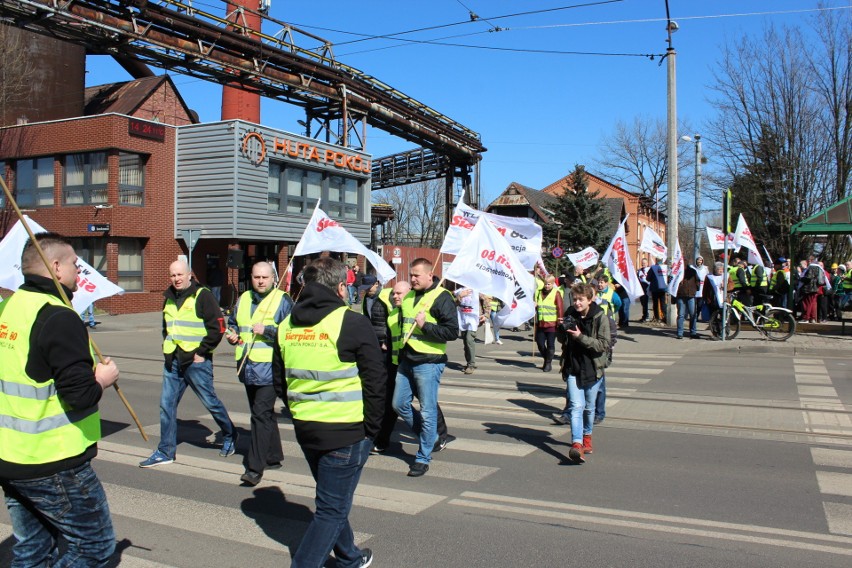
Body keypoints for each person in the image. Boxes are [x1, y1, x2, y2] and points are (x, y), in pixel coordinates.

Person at [0, 233, 120, 566]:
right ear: (55, 266)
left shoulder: (7, 308)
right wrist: (102, 379)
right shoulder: (58, 316)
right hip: (51, 460)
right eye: (75, 265)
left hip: (10, 456)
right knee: (94, 547)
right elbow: (79, 395)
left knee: (33, 548)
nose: (80, 274)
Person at [272, 257, 383, 568]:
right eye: (347, 286)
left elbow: (280, 381)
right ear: (340, 288)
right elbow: (376, 382)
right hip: (346, 433)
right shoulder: (352, 322)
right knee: (331, 510)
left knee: (331, 501)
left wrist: (301, 412)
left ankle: (349, 557)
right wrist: (372, 430)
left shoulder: (286, 325)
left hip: (307, 428)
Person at [140, 260, 237, 468]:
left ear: (189, 275)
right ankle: (166, 451)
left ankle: (230, 434)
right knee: (166, 405)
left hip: (196, 362)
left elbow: (217, 327)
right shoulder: (168, 298)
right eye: (173, 275)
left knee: (210, 402)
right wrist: (167, 346)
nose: (176, 278)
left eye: (180, 275)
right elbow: (167, 327)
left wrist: (202, 352)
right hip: (173, 360)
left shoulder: (203, 296)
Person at [225, 261, 293, 486]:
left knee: (259, 415)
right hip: (247, 366)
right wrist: (232, 333)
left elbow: (291, 334)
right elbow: (233, 323)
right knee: (264, 414)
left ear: (273, 278)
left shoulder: (283, 300)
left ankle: (254, 468)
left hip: (270, 369)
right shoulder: (244, 299)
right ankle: (273, 456)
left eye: (264, 277)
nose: (260, 281)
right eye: (256, 277)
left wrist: (268, 331)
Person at [392, 257, 458, 477]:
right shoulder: (409, 295)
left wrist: (425, 326)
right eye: (411, 275)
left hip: (429, 361)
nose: (412, 279)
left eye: (416, 275)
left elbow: (451, 332)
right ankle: (431, 438)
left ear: (430, 275)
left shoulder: (442, 297)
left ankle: (422, 457)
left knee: (428, 411)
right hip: (407, 359)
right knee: (399, 403)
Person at [372, 281, 451, 454]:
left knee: (427, 403)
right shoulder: (393, 314)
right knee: (393, 404)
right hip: (396, 364)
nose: (395, 296)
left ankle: (439, 436)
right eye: (394, 293)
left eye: (399, 294)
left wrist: (424, 326)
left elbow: (449, 330)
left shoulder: (418, 311)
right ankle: (382, 440)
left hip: (421, 362)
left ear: (409, 294)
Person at [557, 282, 611, 464]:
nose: (577, 303)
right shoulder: (570, 314)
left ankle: (587, 437)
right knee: (576, 406)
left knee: (589, 408)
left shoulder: (600, 317)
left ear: (590, 299)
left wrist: (579, 336)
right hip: (573, 366)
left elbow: (603, 345)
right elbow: (562, 340)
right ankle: (577, 444)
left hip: (593, 368)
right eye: (575, 299)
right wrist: (561, 329)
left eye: (581, 300)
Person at [534, 275, 564, 372]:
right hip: (540, 323)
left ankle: (548, 363)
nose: (546, 286)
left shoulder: (556, 293)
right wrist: (534, 304)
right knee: (540, 343)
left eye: (549, 284)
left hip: (552, 324)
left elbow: (560, 307)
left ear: (552, 284)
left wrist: (559, 320)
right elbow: (536, 304)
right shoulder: (539, 292)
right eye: (545, 284)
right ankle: (546, 358)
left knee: (550, 344)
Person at [675, 261, 700, 339]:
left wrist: (695, 289)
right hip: (680, 295)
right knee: (681, 315)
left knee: (693, 315)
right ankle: (680, 333)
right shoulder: (677, 272)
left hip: (691, 295)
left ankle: (693, 332)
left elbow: (697, 281)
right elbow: (673, 283)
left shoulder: (692, 271)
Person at [648, 257, 668, 322]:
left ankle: (657, 318)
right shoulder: (666, 267)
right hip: (663, 288)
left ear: (656, 260)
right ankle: (665, 317)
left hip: (655, 288)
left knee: (656, 304)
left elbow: (648, 278)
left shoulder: (653, 268)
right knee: (663, 304)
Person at [692, 256, 709, 322]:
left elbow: (707, 276)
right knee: (693, 304)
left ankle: (697, 315)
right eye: (698, 260)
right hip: (694, 288)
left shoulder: (705, 268)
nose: (699, 261)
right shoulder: (692, 267)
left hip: (702, 288)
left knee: (700, 304)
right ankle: (693, 316)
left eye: (701, 260)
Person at [637, 257, 651, 322]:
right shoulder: (639, 271)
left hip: (647, 286)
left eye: (644, 263)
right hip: (641, 286)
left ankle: (646, 316)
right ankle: (644, 315)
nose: (643, 264)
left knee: (645, 302)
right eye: (642, 263)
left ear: (647, 263)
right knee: (642, 302)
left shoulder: (649, 270)